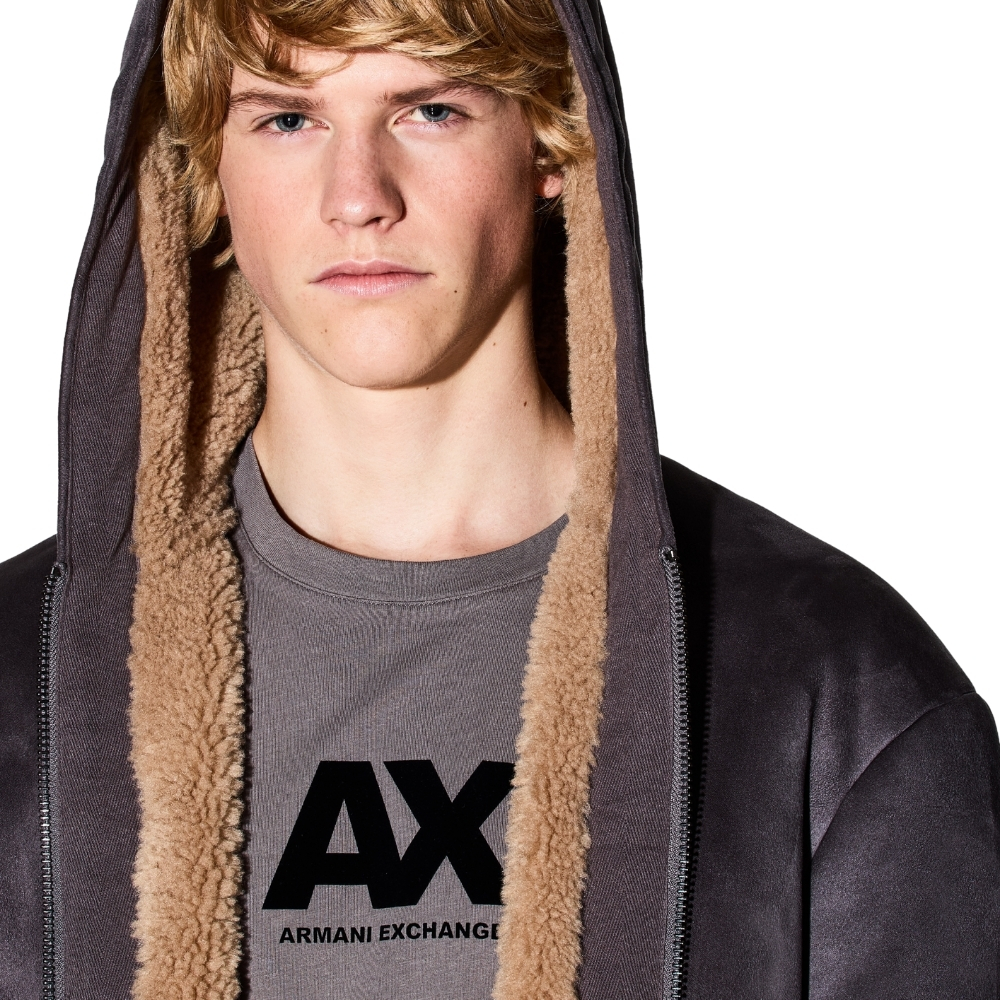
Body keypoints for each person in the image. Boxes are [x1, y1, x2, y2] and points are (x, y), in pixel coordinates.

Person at [1, 0, 997, 996]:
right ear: (207, 163)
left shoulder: (827, 685)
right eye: (288, 118)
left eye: (430, 111)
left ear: (551, 140)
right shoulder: (16, 684)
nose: (358, 198)